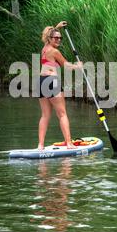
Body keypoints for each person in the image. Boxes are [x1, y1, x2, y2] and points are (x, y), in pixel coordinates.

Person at [37, 21, 83, 150]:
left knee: (45, 115)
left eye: (60, 38)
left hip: (41, 82)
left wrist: (56, 28)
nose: (58, 40)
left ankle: (40, 145)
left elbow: (49, 36)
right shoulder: (54, 51)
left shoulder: (44, 48)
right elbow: (66, 65)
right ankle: (69, 144)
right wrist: (78, 66)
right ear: (49, 39)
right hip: (51, 81)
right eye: (55, 38)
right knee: (62, 114)